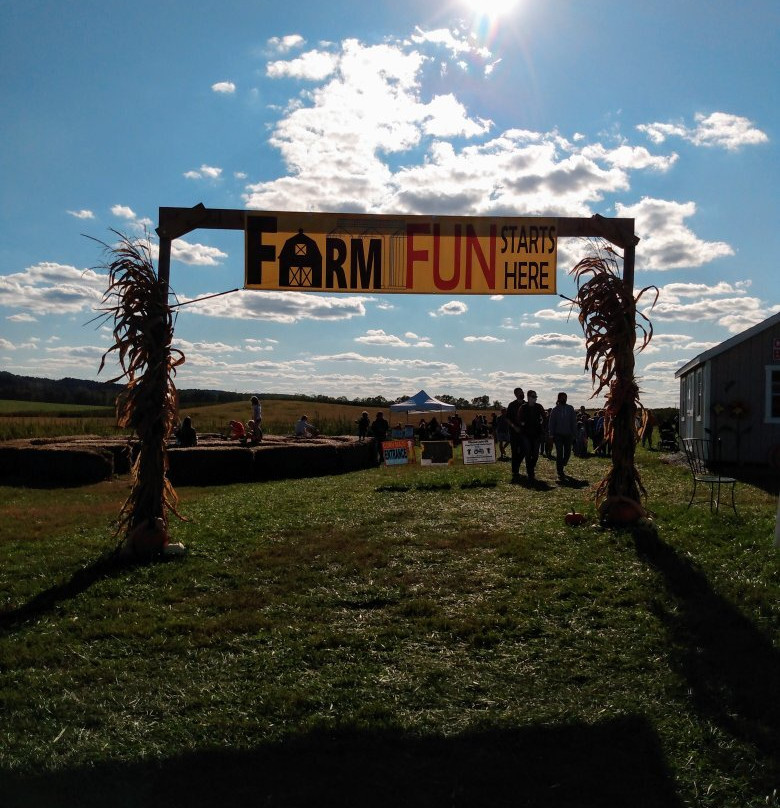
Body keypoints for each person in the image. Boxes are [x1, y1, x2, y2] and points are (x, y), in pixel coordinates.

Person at [548, 392, 577, 481]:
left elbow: (573, 421)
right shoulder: (555, 410)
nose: (564, 399)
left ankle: (563, 463)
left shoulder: (570, 408)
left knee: (568, 452)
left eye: (565, 397)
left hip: (568, 434)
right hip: (558, 435)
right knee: (559, 453)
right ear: (559, 399)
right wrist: (551, 435)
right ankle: (560, 472)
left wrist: (574, 434)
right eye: (562, 397)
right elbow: (551, 423)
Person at [520, 390, 546, 482]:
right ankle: (530, 472)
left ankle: (531, 468)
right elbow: (518, 418)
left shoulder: (539, 407)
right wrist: (522, 423)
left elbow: (545, 417)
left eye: (536, 396)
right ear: (528, 397)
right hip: (526, 434)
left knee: (535, 454)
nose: (535, 398)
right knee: (527, 453)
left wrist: (542, 426)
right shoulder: (523, 407)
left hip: (537, 434)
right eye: (533, 396)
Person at [506, 387, 527, 481]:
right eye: (519, 393)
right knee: (515, 451)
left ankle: (517, 465)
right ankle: (515, 471)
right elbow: (507, 419)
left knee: (524, 450)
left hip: (525, 432)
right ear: (515, 394)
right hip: (514, 432)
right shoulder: (511, 405)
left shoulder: (526, 404)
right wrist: (514, 427)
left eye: (522, 392)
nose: (522, 394)